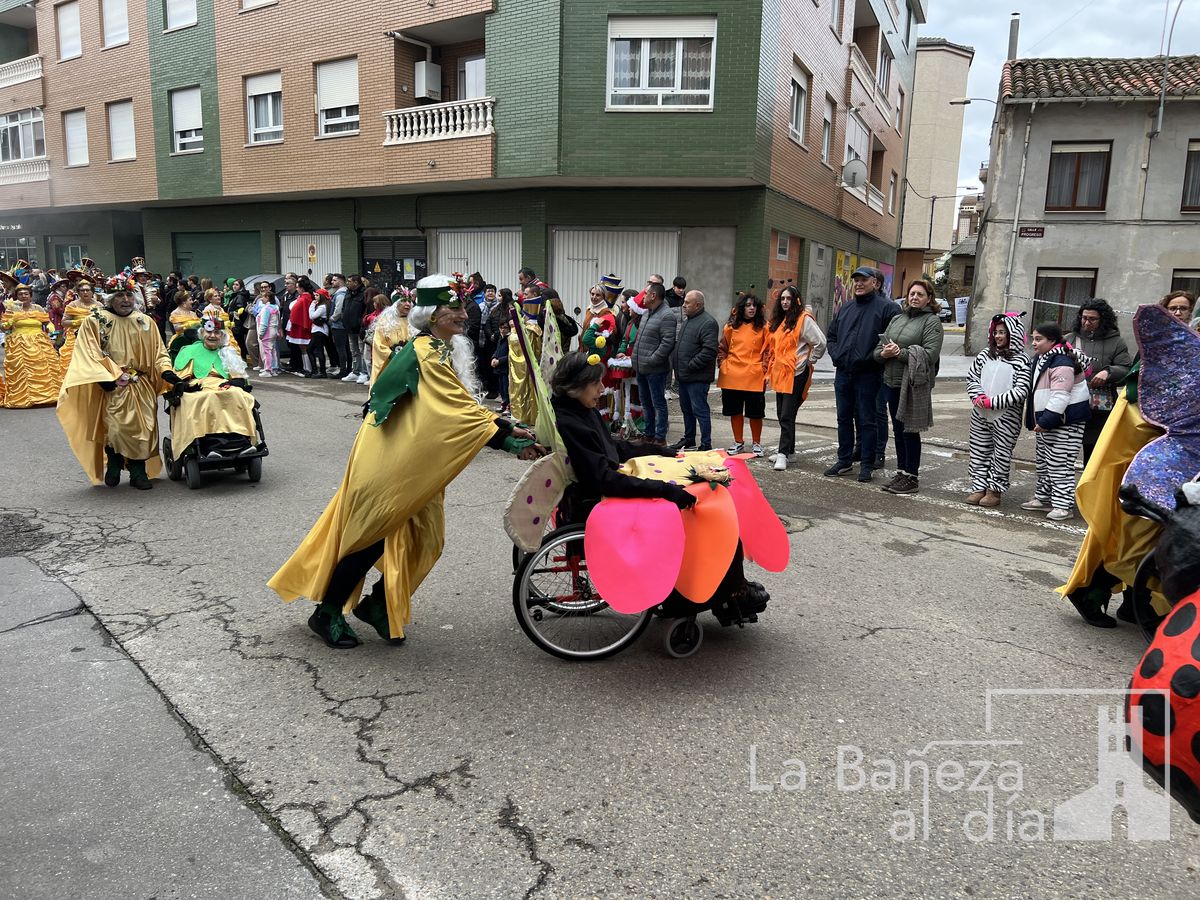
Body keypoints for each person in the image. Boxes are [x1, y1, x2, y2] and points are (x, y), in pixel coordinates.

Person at [268, 274, 544, 649]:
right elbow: (455, 411)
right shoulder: (427, 352)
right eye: (454, 308)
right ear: (433, 315)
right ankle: (327, 612)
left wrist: (507, 425)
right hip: (387, 461)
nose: (464, 315)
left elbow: (461, 406)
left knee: (427, 540)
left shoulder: (439, 349)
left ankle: (377, 606)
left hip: (413, 464)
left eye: (463, 307)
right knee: (369, 537)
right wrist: (508, 440)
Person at [57, 274, 186, 489]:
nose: (126, 300)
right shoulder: (95, 320)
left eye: (129, 295)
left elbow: (159, 352)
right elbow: (88, 351)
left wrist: (166, 371)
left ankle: (138, 472)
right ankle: (115, 461)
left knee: (145, 429)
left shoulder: (145, 321)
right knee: (116, 428)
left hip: (142, 384)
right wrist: (104, 377)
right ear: (110, 298)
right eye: (120, 296)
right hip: (114, 385)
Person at [550, 351, 695, 522]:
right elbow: (603, 479)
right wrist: (662, 489)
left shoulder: (583, 410)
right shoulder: (571, 424)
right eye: (596, 383)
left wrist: (656, 450)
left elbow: (611, 447)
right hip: (594, 502)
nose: (602, 389)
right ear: (576, 386)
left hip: (604, 485)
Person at [823, 266, 900, 482]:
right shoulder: (846, 308)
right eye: (856, 280)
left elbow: (893, 339)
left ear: (875, 283)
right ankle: (844, 460)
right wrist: (837, 355)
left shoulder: (887, 308)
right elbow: (832, 336)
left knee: (868, 420)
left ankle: (867, 464)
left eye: (863, 280)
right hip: (843, 373)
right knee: (843, 418)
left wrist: (875, 358)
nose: (858, 284)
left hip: (870, 373)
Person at [872, 278, 944, 494]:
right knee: (898, 429)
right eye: (912, 293)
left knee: (910, 430)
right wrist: (884, 353)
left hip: (912, 384)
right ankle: (902, 472)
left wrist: (899, 353)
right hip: (891, 382)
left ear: (929, 299)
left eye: (920, 294)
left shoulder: (932, 322)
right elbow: (877, 351)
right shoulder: (897, 318)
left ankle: (911, 477)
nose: (915, 297)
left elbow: (929, 355)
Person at [1021, 322, 1090, 521]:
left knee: (1060, 464)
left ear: (1052, 341)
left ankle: (1063, 505)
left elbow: (1061, 395)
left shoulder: (1062, 362)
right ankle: (1044, 498)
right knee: (1044, 461)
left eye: (1038, 339)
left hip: (1065, 422)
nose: (1034, 343)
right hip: (1048, 421)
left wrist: (1046, 420)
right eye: (1033, 338)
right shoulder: (1042, 358)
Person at [964, 313, 1031, 508]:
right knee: (979, 450)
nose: (998, 336)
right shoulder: (985, 355)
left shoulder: (1022, 360)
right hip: (980, 414)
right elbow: (972, 378)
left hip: (1006, 417)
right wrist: (978, 397)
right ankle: (979, 486)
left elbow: (1021, 390)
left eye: (1003, 332)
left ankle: (994, 490)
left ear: (1013, 334)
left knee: (1001, 453)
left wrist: (993, 402)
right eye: (996, 332)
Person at [1064, 299, 1132, 465]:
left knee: (1094, 454)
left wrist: (1108, 372)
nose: (1087, 322)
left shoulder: (1117, 342)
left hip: (1100, 408)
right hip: (1070, 404)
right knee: (1064, 453)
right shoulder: (1069, 339)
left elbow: (1125, 368)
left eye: (1092, 319)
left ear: (1104, 319)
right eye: (1084, 318)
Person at [765, 286, 826, 471]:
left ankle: (782, 454)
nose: (785, 302)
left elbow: (820, 342)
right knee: (782, 414)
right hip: (781, 373)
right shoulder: (780, 320)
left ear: (796, 300)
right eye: (782, 299)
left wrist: (809, 360)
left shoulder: (803, 319)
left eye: (788, 299)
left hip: (796, 373)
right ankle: (789, 452)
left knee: (786, 415)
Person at [717, 292, 769, 456]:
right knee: (735, 411)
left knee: (756, 413)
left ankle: (757, 443)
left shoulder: (764, 327)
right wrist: (723, 365)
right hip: (732, 375)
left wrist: (764, 369)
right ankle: (738, 441)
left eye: (754, 305)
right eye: (747, 305)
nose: (751, 308)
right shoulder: (730, 327)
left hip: (755, 375)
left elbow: (768, 351)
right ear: (741, 308)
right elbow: (722, 348)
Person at [1, 279, 62, 408]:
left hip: (39, 341)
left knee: (44, 366)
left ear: (30, 295)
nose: (23, 296)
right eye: (20, 294)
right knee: (23, 370)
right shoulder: (11, 309)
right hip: (19, 343)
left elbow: (47, 322)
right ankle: (25, 396)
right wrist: (10, 320)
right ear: (16, 296)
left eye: (26, 294)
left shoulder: (38, 308)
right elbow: (4, 327)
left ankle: (48, 395)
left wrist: (52, 329)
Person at [671, 290, 719, 452]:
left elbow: (709, 350)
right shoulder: (688, 320)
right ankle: (689, 439)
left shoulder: (708, 323)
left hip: (697, 377)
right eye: (684, 302)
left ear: (698, 305)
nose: (683, 305)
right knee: (686, 410)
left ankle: (706, 443)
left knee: (700, 410)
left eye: (687, 303)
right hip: (684, 376)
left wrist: (690, 365)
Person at [630, 281, 676, 445]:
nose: (643, 296)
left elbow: (667, 343)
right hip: (641, 367)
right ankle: (649, 434)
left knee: (658, 403)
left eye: (646, 293)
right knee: (646, 402)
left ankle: (660, 437)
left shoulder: (667, 315)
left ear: (653, 296)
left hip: (655, 369)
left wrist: (652, 360)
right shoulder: (646, 313)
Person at [508, 286, 544, 424]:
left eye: (526, 294)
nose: (523, 295)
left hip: (525, 366)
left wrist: (513, 330)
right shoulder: (528, 326)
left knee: (525, 388)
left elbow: (517, 343)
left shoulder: (532, 329)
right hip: (523, 366)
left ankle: (525, 415)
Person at [59, 274, 103, 374]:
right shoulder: (73, 304)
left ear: (92, 292)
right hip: (76, 337)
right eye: (82, 291)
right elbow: (64, 322)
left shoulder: (99, 305)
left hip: (94, 336)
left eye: (88, 290)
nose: (85, 292)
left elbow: (104, 321)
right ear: (78, 293)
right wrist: (79, 322)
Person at [370, 289, 413, 386]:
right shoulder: (385, 322)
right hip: (390, 364)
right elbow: (378, 344)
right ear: (396, 304)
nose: (407, 304)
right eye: (403, 301)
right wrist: (391, 355)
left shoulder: (415, 322)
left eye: (409, 301)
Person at [341, 274, 369, 384]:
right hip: (349, 327)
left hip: (359, 328)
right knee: (354, 351)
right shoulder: (348, 293)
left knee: (362, 351)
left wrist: (361, 323)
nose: (347, 283)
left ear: (356, 283)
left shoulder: (363, 293)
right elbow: (344, 307)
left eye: (349, 281)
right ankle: (355, 371)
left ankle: (364, 373)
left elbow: (366, 310)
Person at [308, 288, 339, 379]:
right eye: (315, 295)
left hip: (319, 330)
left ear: (322, 296)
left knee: (315, 350)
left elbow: (312, 316)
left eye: (317, 295)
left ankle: (320, 371)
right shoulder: (324, 305)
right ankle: (317, 371)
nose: (315, 297)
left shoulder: (322, 307)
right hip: (319, 330)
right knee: (315, 350)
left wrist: (312, 305)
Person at [256, 287, 281, 377]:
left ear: (267, 298)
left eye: (263, 297)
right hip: (274, 331)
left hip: (267, 332)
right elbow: (278, 321)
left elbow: (264, 323)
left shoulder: (266, 308)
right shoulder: (276, 308)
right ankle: (273, 368)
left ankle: (268, 370)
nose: (261, 299)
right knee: (272, 351)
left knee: (267, 351)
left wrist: (261, 334)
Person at [492, 317, 511, 414]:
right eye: (501, 328)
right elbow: (497, 350)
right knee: (501, 388)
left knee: (506, 387)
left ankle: (508, 406)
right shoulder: (501, 339)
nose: (503, 330)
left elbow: (511, 355)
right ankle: (503, 404)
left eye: (505, 328)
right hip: (500, 367)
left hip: (505, 367)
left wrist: (499, 360)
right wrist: (494, 358)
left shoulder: (509, 339)